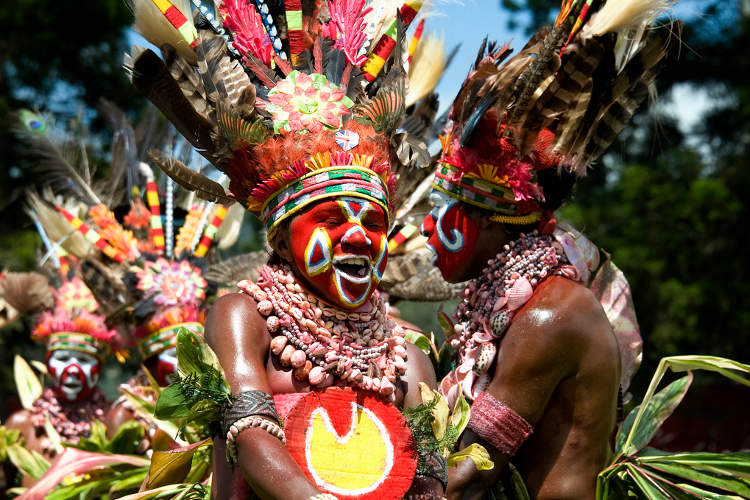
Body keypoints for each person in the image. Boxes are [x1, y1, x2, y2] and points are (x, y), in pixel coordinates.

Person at [123, 0, 450, 498]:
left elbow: (427, 477)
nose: (360, 236)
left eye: (375, 224)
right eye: (332, 220)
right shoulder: (244, 316)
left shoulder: (406, 356)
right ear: (283, 235)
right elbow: (251, 434)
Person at [418, 1, 674, 498]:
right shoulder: (521, 304)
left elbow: (467, 476)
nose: (428, 228)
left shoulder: (550, 315)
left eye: (444, 208)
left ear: (494, 221)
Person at [3, 275, 118, 486]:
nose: (72, 370)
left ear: (99, 368)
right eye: (63, 359)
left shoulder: (114, 421)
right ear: (48, 363)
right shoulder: (23, 424)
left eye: (83, 360)